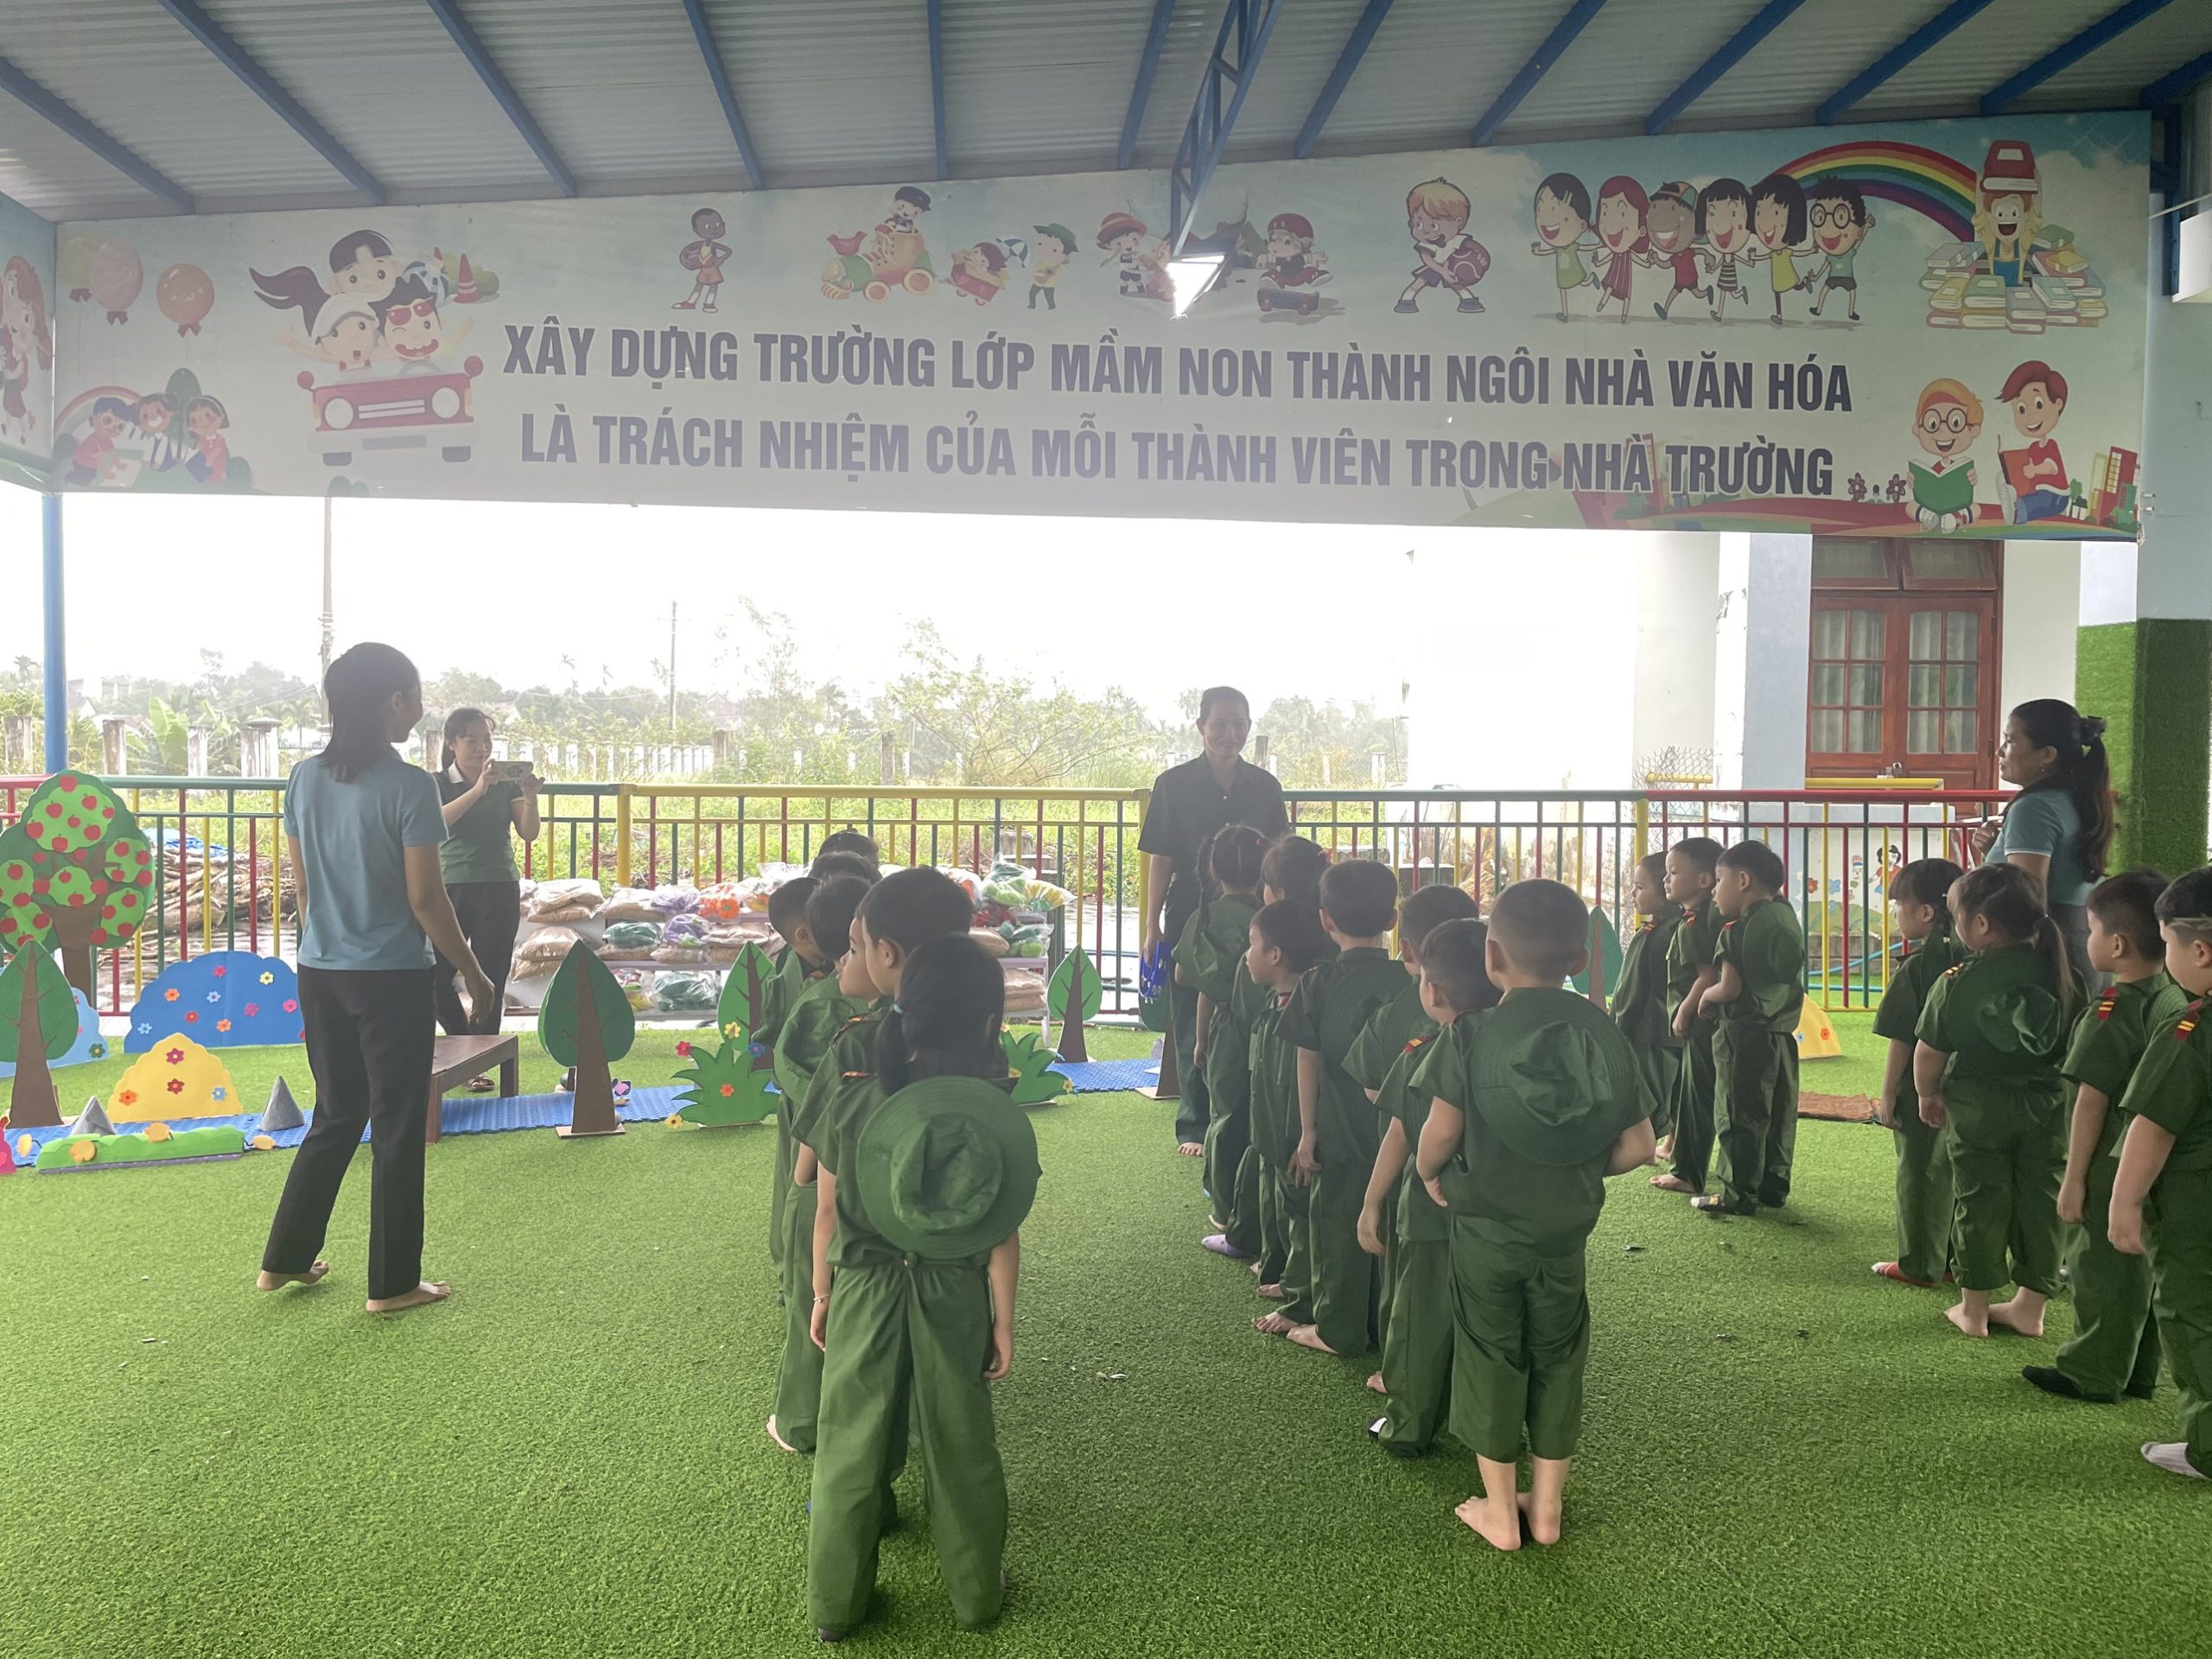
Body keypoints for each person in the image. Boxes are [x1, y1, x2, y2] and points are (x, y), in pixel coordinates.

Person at [804, 932, 1039, 1638]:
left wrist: (822, 1294)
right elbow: (1001, 1232)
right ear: (989, 1024)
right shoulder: (989, 1110)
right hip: (952, 1293)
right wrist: (1003, 1321)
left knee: (850, 1446)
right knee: (962, 1442)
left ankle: (836, 1608)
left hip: (862, 1287)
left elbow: (824, 1212)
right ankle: (976, 1596)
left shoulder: (853, 1097)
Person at [1414, 879, 1654, 1550]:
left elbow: (1440, 1131)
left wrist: (1428, 1172)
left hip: (1486, 1228)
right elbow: (1640, 1146)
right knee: (1559, 1353)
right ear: (1581, 958)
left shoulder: (1470, 1034)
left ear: (1492, 956)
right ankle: (1545, 1511)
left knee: (1489, 1352)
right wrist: (1574, 1168)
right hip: (1565, 1233)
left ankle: (1500, 1512)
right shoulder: (1602, 1034)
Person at [257, 644, 493, 1314]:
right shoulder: (410, 787)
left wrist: (325, 946)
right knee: (396, 1124)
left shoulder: (303, 778)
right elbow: (427, 899)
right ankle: (392, 1285)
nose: (420, 707)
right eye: (416, 694)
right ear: (395, 701)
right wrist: (474, 973)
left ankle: (284, 1259)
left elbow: (304, 886)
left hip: (319, 970)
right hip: (390, 979)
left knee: (336, 1113)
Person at [2024, 870, 2186, 1403]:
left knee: (2100, 1267)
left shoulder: (2111, 1010)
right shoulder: (2172, 997)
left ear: (2117, 945)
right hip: (2152, 1158)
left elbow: (2090, 1102)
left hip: (2107, 1160)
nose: (2087, 938)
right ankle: (2137, 1371)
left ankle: (2090, 1373)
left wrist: (2073, 1180)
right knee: (2140, 1264)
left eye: (2092, 929)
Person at [1914, 861, 2080, 1338]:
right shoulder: (2064, 975)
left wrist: (1927, 1094)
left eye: (1956, 915)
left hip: (1978, 1109)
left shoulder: (1956, 979)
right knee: (2042, 1202)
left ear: (1981, 924)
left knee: (1980, 1201)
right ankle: (2031, 1310)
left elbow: (1929, 1051)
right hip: (2049, 1108)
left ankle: (1974, 1311)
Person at [1360, 903, 1492, 1455]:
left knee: (1418, 1321)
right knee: (1494, 1325)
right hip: (1498, 1217)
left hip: (1431, 1215)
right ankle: (1490, 1432)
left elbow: (1401, 1131)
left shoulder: (1427, 1051)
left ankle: (1408, 1426)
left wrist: (1372, 1202)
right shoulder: (1515, 1051)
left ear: (1433, 992)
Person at [1138, 688, 1289, 1160]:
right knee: (1189, 1015)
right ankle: (1195, 1122)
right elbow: (1161, 859)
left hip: (1255, 915)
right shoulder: (1172, 784)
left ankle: (1248, 1118)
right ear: (1201, 725)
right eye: (1220, 723)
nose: (1230, 733)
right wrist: (1151, 926)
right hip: (1191, 912)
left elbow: (1280, 856)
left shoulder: (1265, 787)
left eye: (1239, 723)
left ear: (1249, 726)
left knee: (1253, 1008)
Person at [1279, 860, 1407, 1358]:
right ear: (1392, 919)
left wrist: (1308, 1130)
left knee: (1335, 1222)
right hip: (1399, 1128)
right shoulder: (1410, 979)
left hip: (1337, 1126)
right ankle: (1388, 1327)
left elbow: (1305, 1060)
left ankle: (1337, 1328)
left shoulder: (1317, 982)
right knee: (1392, 1221)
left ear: (1325, 919)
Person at [766, 873, 875, 1457]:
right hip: (886, 1180)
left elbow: (807, 1093)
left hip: (827, 1173)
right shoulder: (909, 1007)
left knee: (816, 1296)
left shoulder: (822, 1005)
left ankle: (802, 1421)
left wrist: (805, 1171)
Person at [2109, 867, 2212, 1479]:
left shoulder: (2191, 1030)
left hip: (2194, 1206)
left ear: (2200, 951)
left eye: (2168, 942)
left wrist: (2124, 1203)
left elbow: (2154, 1125)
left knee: (2193, 1314)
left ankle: (2208, 1444)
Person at [1693, 841, 1806, 1217]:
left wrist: (1705, 997)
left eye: (1719, 880)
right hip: (1782, 1034)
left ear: (1742, 881)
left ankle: (1737, 1193)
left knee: (1738, 1111)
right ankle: (1773, 1187)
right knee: (1779, 1112)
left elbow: (1729, 987)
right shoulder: (1786, 919)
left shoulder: (1735, 930)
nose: (1714, 891)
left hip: (1743, 1034)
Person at [1870, 857, 1968, 1287]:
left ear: (1926, 912)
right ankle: (1954, 1260)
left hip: (1921, 1083)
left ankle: (1919, 1264)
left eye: (1898, 906)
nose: (1895, 914)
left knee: (1918, 1170)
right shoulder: (1971, 956)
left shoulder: (1918, 966)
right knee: (1956, 1170)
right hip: (1967, 1082)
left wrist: (1889, 1092)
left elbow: (1903, 1037)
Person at [430, 709, 540, 1088]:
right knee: (434, 976)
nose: (481, 748)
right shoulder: (436, 783)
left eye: (487, 741)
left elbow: (528, 832)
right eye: (471, 740)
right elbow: (435, 823)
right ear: (451, 743)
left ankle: (477, 1062)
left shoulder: (505, 784)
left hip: (499, 885)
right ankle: (463, 1042)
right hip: (449, 888)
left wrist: (530, 797)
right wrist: (477, 790)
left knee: (491, 975)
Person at [1971, 699, 2113, 986]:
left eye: (2011, 741)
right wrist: (1994, 852)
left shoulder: (2034, 808)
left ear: (2047, 754)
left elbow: (2026, 902)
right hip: (2087, 943)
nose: (2000, 751)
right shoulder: (2076, 798)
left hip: (2053, 956)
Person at [1173, 823, 1266, 1258]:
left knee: (1226, 1116)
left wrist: (1200, 1039)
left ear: (1213, 868)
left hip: (1226, 1027)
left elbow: (1187, 977)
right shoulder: (1272, 918)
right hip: (1272, 1027)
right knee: (1266, 1115)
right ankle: (1265, 1212)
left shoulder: (1204, 917)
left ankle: (1227, 1213)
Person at [1244, 897, 1332, 1332]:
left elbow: (1305, 1083)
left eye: (1252, 944)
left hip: (1294, 1136)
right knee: (1285, 1206)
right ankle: (1290, 1277)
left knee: (1301, 1212)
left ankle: (1302, 1300)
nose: (1246, 954)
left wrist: (1303, 1136)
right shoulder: (1276, 1003)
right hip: (1274, 1132)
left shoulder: (1304, 1008)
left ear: (1276, 955)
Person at [1650, 837, 1724, 1198]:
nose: (1666, 879)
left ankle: (1688, 1173)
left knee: (1697, 1098)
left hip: (1701, 1022)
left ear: (1704, 880)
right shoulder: (1701, 917)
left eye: (1674, 872)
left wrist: (1684, 1011)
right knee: (1695, 1094)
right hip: (1705, 1022)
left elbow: (1707, 975)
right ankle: (1684, 1161)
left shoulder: (1696, 924)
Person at [1611, 853, 1681, 1150]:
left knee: (1650, 1091)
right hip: (1678, 1029)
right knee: (1679, 1090)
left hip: (1649, 1031)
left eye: (1640, 887)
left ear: (1664, 894)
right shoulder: (1685, 927)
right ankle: (1673, 1144)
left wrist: (1618, 1026)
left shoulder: (1650, 936)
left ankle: (1646, 1146)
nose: (1633, 893)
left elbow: (1630, 990)